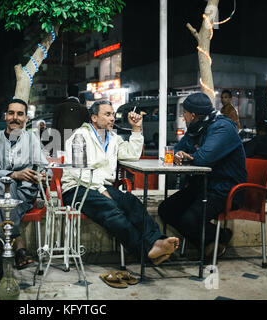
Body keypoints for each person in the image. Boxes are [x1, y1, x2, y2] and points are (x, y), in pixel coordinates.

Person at [61, 100, 180, 269]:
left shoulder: (113, 138)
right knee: (112, 210)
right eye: (107, 114)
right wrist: (102, 190)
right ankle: (147, 251)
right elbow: (78, 171)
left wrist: (137, 129)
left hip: (101, 186)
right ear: (94, 117)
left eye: (112, 114)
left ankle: (156, 241)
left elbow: (132, 154)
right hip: (76, 187)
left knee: (131, 202)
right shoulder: (79, 136)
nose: (112, 119)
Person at [158, 93, 247, 263]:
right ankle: (211, 242)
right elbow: (179, 148)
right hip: (201, 185)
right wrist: (178, 154)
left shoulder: (223, 128)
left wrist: (187, 155)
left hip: (224, 189)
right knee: (166, 209)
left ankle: (218, 237)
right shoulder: (196, 128)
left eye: (184, 113)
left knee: (189, 220)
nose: (183, 117)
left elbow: (203, 159)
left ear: (192, 115)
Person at [0, 98, 50, 289]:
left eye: (19, 114)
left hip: (22, 195)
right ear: (5, 116)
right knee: (3, 185)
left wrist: (41, 175)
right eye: (11, 113)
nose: (15, 117)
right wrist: (15, 175)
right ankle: (18, 246)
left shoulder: (32, 140)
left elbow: (45, 169)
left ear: (26, 118)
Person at [52, 84, 90, 151]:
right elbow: (87, 129)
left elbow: (54, 129)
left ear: (67, 93)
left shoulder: (59, 108)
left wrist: (52, 148)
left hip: (61, 147)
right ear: (78, 94)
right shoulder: (84, 109)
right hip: (79, 147)